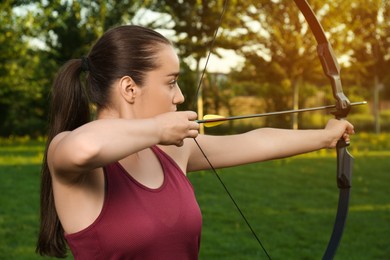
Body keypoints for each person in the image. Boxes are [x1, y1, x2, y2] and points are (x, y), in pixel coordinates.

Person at [36, 25, 354, 259]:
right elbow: (86, 147)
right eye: (171, 82)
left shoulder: (173, 150)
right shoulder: (67, 154)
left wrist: (325, 137)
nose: (180, 96)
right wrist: (158, 129)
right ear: (130, 89)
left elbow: (256, 142)